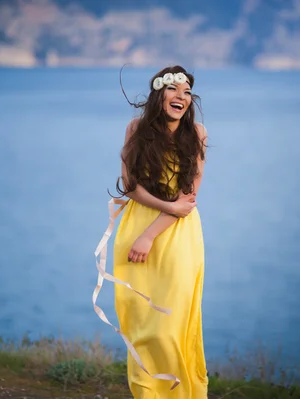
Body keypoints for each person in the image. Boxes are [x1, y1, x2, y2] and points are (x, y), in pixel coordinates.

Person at [111, 65, 209, 398]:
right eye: (173, 89)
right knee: (140, 325)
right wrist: (157, 218)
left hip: (177, 236)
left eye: (186, 92)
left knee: (169, 325)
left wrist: (151, 234)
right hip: (136, 226)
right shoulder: (135, 129)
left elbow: (187, 200)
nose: (181, 97)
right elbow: (130, 185)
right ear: (159, 94)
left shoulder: (197, 134)